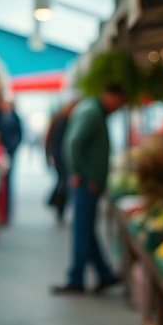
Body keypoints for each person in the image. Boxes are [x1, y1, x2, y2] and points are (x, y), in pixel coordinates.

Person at [53, 84, 127, 295]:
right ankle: (76, 278)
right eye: (119, 101)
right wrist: (81, 173)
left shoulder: (93, 110)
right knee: (82, 230)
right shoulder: (92, 112)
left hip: (86, 182)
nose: (119, 107)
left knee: (85, 229)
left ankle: (104, 274)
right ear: (110, 95)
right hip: (85, 183)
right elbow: (74, 143)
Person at [0, 97, 23, 223]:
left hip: (10, 152)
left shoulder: (14, 118)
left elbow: (19, 135)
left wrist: (12, 147)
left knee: (8, 183)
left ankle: (6, 213)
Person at [44, 99, 78, 223]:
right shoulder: (62, 121)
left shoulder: (61, 119)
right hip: (61, 158)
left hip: (59, 157)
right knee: (64, 183)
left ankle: (58, 206)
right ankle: (58, 206)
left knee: (62, 182)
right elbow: (57, 142)